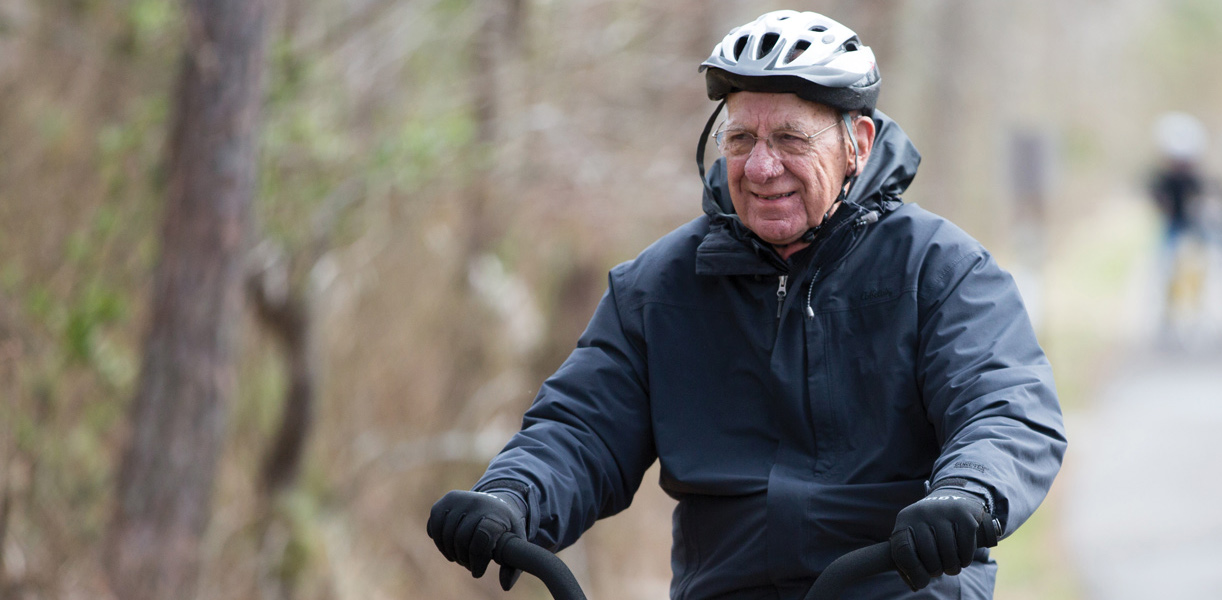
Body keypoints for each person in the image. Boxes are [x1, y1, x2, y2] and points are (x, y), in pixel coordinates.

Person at [424, 10, 1066, 600]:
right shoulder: (658, 286)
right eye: (740, 139)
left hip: (893, 585)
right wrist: (510, 497)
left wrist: (967, 493)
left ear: (858, 143)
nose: (760, 167)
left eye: (790, 138)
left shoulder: (941, 270)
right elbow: (582, 428)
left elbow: (1006, 407)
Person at [1146, 112, 1208, 340]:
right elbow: (1155, 196)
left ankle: (1194, 314)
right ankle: (1168, 318)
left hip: (1192, 229)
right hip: (1172, 228)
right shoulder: (1162, 178)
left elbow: (1203, 197)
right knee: (1167, 272)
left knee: (1194, 272)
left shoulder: (1194, 178)